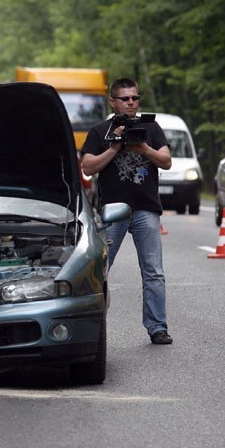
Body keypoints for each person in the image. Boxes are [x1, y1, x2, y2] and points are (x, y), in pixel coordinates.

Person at [81, 77, 174, 345]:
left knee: (154, 271)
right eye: (125, 98)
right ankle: (91, 328)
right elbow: (88, 167)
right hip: (113, 211)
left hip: (146, 208)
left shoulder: (151, 127)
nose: (131, 103)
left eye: (135, 98)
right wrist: (115, 147)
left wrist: (142, 147)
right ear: (113, 102)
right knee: (100, 270)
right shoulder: (100, 132)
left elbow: (166, 161)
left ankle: (158, 327)